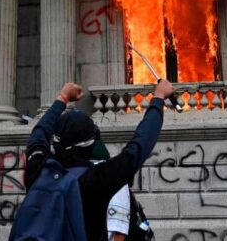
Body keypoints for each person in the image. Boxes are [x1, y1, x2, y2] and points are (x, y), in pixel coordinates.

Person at [14, 79, 175, 241]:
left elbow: (39, 133)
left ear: (56, 141)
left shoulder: (37, 170)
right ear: (91, 144)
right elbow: (139, 146)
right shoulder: (95, 180)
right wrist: (158, 98)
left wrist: (62, 98)